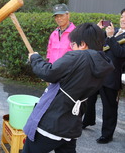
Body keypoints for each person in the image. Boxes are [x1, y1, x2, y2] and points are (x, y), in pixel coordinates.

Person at [22, 23, 114, 153]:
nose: (71, 48)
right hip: (71, 125)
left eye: (72, 45)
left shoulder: (78, 56)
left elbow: (48, 72)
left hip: (53, 122)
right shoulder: (103, 63)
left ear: (82, 44)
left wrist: (35, 58)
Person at [82, 9, 125, 144]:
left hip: (112, 75)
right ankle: (88, 120)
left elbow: (120, 53)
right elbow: (98, 46)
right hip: (97, 72)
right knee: (89, 99)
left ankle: (107, 134)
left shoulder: (113, 34)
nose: (123, 19)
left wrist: (111, 38)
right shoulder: (113, 30)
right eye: (122, 16)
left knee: (109, 106)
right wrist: (98, 30)